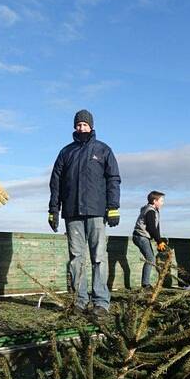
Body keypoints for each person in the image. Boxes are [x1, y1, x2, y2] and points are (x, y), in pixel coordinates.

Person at [48, 109, 121, 317]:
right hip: (72, 213)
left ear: (91, 126)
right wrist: (54, 209)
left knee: (99, 256)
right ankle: (80, 301)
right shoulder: (66, 152)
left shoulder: (103, 150)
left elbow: (113, 179)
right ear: (74, 127)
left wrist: (113, 207)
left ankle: (101, 302)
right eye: (78, 125)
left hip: (97, 212)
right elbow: (56, 183)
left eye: (85, 125)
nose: (82, 128)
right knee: (76, 258)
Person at [132, 191, 167, 290]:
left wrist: (159, 240)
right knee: (150, 259)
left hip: (142, 236)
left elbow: (156, 228)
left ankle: (145, 284)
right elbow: (151, 228)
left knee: (150, 258)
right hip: (140, 236)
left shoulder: (154, 210)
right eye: (161, 200)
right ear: (154, 201)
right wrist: (159, 241)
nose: (162, 203)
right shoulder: (150, 211)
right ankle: (145, 285)